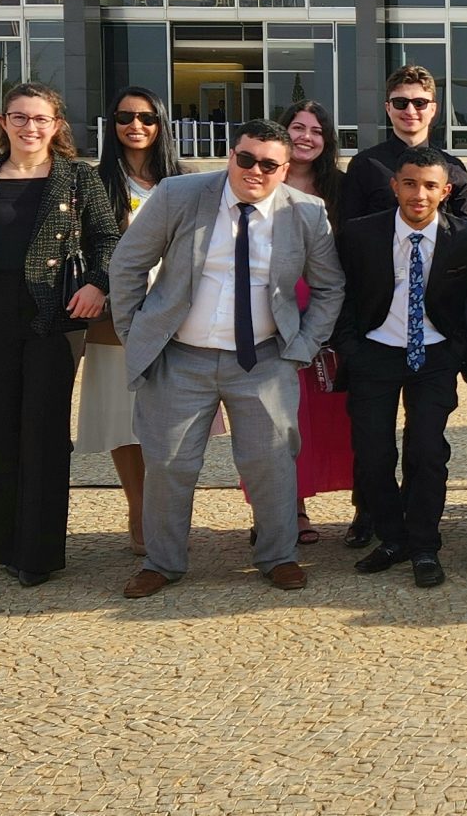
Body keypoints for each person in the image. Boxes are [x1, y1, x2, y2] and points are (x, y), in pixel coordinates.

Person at [111, 120, 346, 598]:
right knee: (169, 464)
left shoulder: (306, 212)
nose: (255, 170)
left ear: (286, 169)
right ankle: (162, 563)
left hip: (265, 360)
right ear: (231, 154)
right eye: (246, 158)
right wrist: (136, 335)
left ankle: (278, 556)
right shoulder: (179, 194)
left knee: (271, 462)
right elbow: (128, 263)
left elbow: (330, 288)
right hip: (180, 357)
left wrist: (301, 349)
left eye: (268, 164)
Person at [0, 82, 120, 587]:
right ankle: (4, 544)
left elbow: (108, 239)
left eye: (40, 119)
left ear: (56, 125)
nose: (29, 127)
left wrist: (97, 285)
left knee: (44, 430)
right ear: (3, 122)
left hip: (54, 313)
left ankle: (38, 554)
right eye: (19, 117)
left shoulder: (78, 177)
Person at [341, 146, 467, 589]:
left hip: (435, 356)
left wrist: (458, 351)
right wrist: (351, 350)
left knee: (426, 451)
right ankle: (392, 539)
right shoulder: (360, 233)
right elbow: (341, 295)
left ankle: (424, 544)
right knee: (373, 454)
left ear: (446, 191)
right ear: (394, 186)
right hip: (375, 352)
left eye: (429, 186)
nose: (418, 194)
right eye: (409, 184)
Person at [80, 87, 189, 558]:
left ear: (161, 123)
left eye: (146, 117)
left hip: (176, 319)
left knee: (171, 422)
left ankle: (166, 509)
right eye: (124, 117)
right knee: (121, 418)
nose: (135, 126)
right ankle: (139, 506)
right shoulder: (94, 181)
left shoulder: (183, 181)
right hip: (115, 319)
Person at [276, 99, 357, 543]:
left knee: (330, 417)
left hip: (329, 313)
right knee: (280, 417)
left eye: (316, 131)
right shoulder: (263, 177)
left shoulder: (341, 189)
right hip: (273, 315)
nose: (306, 137)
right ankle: (286, 509)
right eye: (297, 127)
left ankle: (361, 508)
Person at [341, 65, 467, 223]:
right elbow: (350, 227)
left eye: (420, 103)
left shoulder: (453, 168)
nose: (410, 111)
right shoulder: (364, 165)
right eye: (400, 103)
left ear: (433, 109)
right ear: (388, 108)